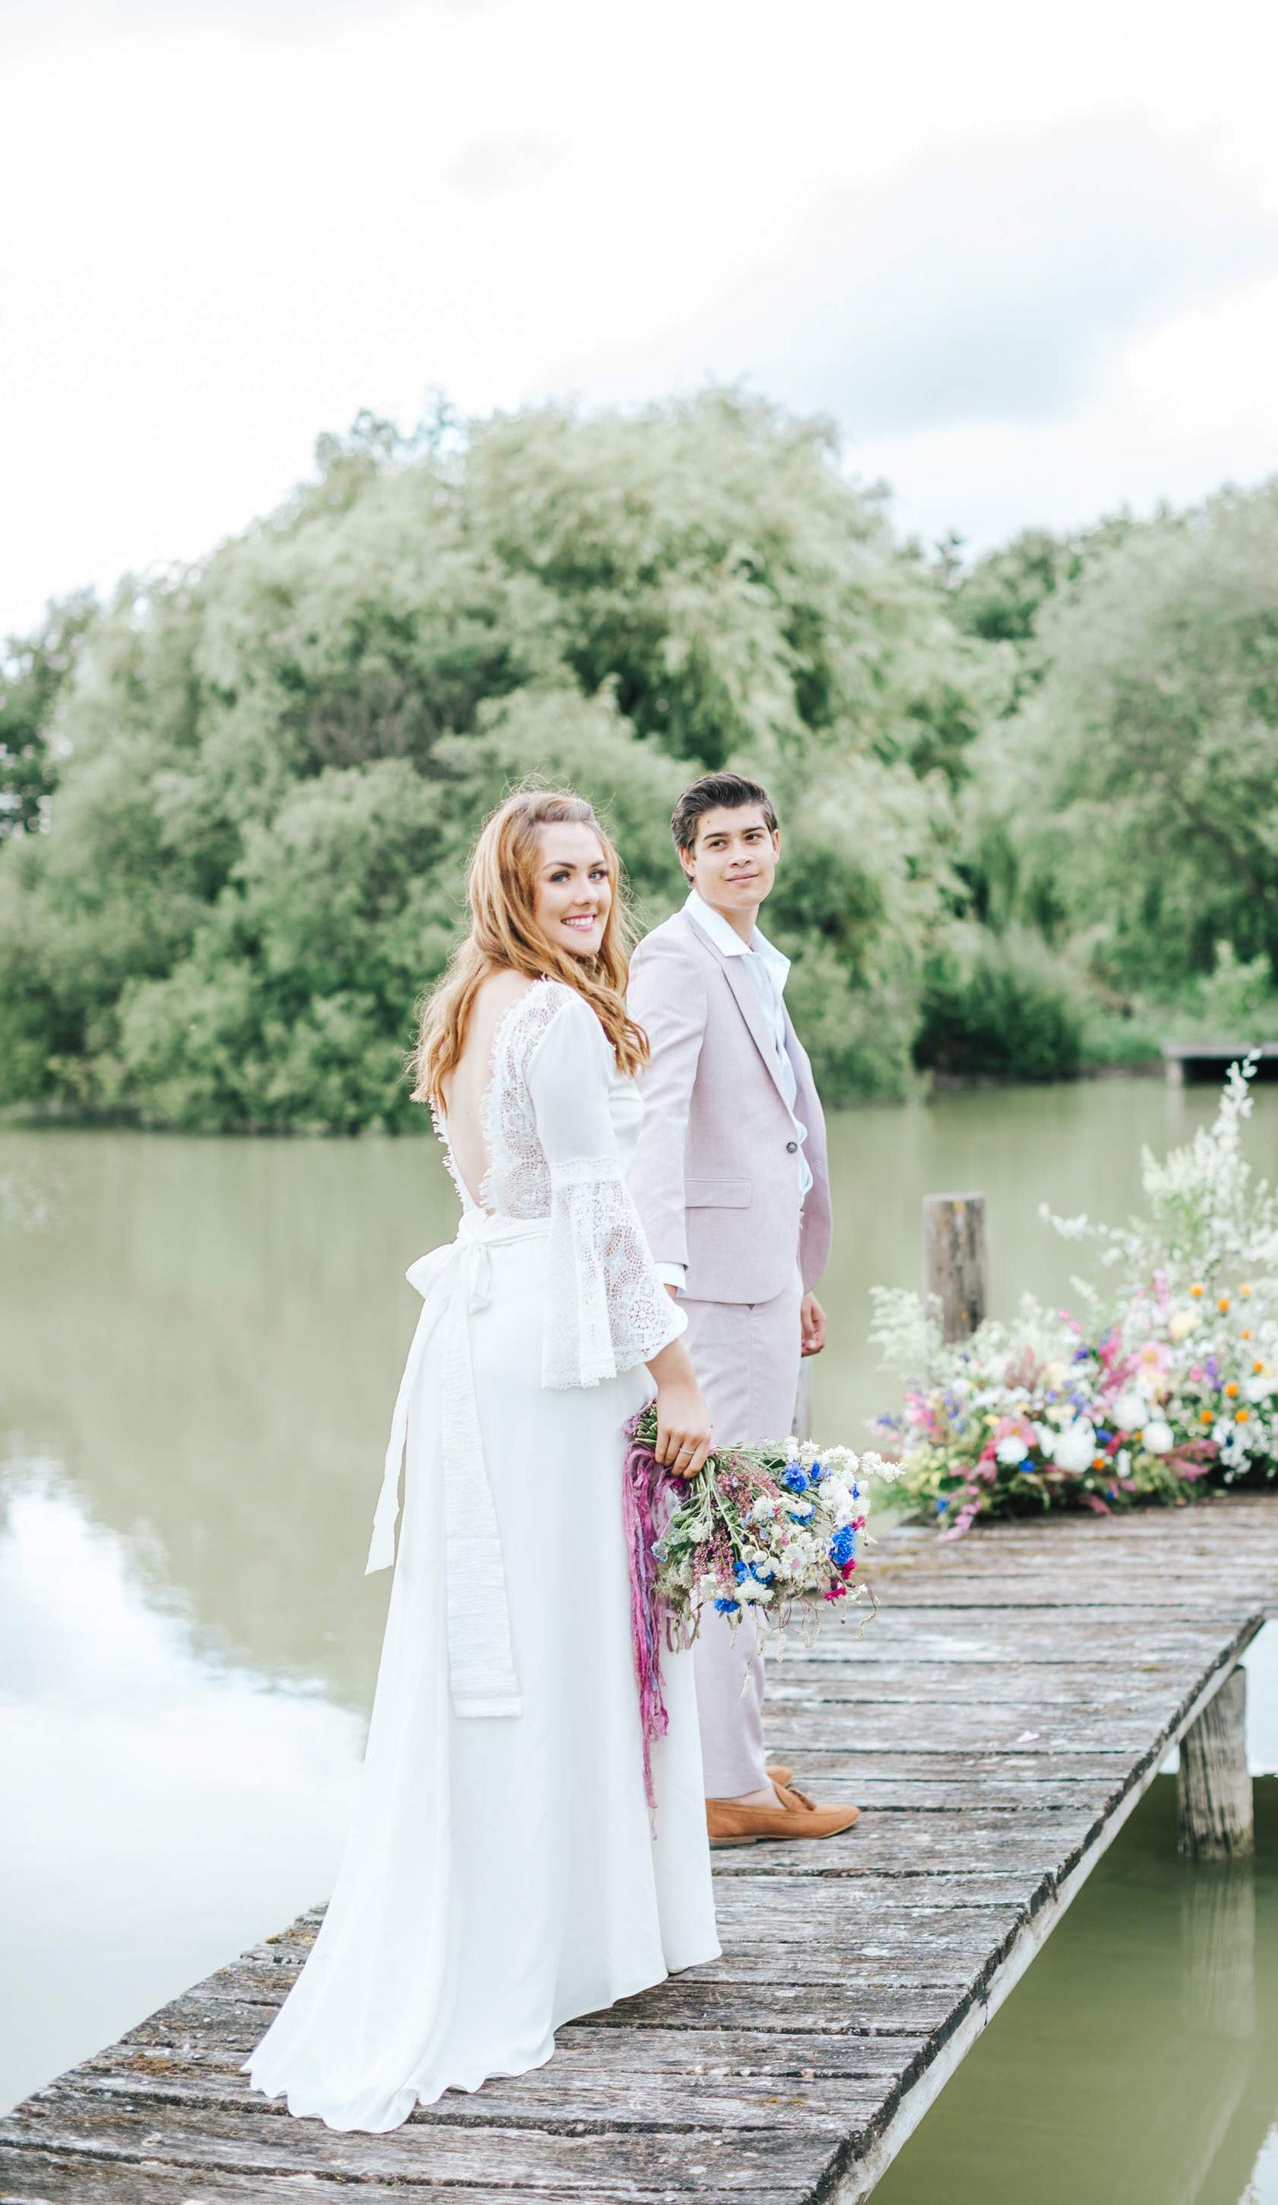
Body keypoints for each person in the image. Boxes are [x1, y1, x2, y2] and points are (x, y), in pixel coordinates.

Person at [245, 790, 720, 2133]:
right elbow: (601, 1214)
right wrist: (677, 1372)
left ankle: (544, 1923)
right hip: (552, 1355)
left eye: (601, 872)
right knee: (570, 1630)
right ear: (511, 885)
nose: (589, 894)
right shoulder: (559, 1015)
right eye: (560, 874)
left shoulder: (474, 1002)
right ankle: (557, 1944)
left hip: (486, 1341)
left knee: (509, 1640)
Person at [628, 771, 859, 1846]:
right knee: (727, 1537)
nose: (740, 855)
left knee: (744, 1527)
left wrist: (793, 1274)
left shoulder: (752, 962)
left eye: (755, 836)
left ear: (776, 846)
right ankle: (727, 1791)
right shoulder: (676, 960)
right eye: (717, 841)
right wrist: (662, 1295)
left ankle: (737, 1760)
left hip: (760, 1283)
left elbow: (770, 1139)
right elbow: (655, 1125)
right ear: (685, 858)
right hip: (708, 1295)